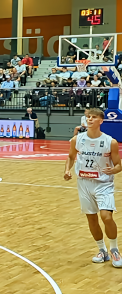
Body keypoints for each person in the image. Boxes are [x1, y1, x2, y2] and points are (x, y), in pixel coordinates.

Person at [64, 108, 122, 267]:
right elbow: (70, 157)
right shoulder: (77, 139)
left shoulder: (111, 142)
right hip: (84, 183)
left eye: (93, 117)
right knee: (92, 218)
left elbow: (119, 165)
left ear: (101, 121)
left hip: (103, 184)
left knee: (106, 217)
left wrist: (114, 170)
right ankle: (102, 251)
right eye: (88, 117)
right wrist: (67, 170)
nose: (89, 119)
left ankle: (115, 250)